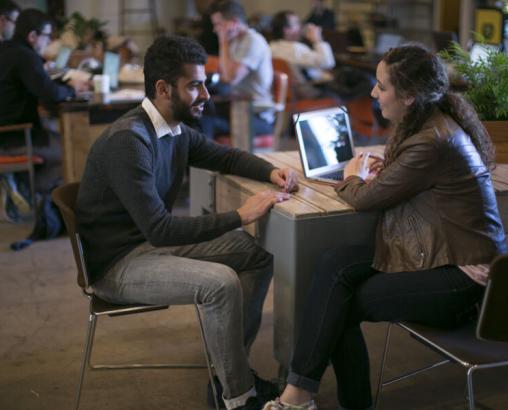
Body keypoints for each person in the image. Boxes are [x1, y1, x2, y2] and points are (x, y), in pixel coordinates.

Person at [264, 44, 507, 410]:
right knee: (334, 264)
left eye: (382, 86)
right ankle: (302, 395)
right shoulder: (431, 124)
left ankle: (305, 398)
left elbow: (363, 200)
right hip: (441, 253)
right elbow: (415, 184)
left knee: (339, 302)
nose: (373, 93)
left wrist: (350, 177)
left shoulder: (430, 141)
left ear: (409, 96)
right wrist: (388, 172)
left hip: (462, 279)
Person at [76, 35, 298, 410]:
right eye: (194, 85)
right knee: (220, 284)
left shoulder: (172, 129)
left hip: (148, 246)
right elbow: (160, 230)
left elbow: (224, 158)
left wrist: (271, 171)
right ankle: (238, 398)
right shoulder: (130, 141)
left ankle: (230, 372)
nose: (206, 94)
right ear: (163, 89)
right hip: (118, 263)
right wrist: (240, 216)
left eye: (204, 83)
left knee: (258, 253)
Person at [0, 8, 88, 225]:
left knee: (59, 140)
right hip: (15, 136)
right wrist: (73, 90)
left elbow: (42, 85)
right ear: (32, 36)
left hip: (8, 132)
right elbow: (48, 92)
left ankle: (20, 185)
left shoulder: (9, 50)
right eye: (47, 36)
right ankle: (23, 186)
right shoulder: (25, 57)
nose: (49, 42)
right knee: (70, 150)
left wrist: (65, 86)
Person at [201, 0, 274, 139]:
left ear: (233, 22)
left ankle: (204, 159)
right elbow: (224, 75)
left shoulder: (253, 41)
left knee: (204, 120)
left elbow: (230, 78)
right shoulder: (236, 41)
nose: (215, 29)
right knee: (195, 111)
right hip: (238, 107)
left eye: (218, 24)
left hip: (256, 115)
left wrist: (223, 42)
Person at [270, 10, 335, 99]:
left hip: (285, 96)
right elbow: (328, 62)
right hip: (308, 96)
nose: (301, 27)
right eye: (297, 23)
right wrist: (317, 39)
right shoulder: (295, 49)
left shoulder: (271, 47)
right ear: (286, 30)